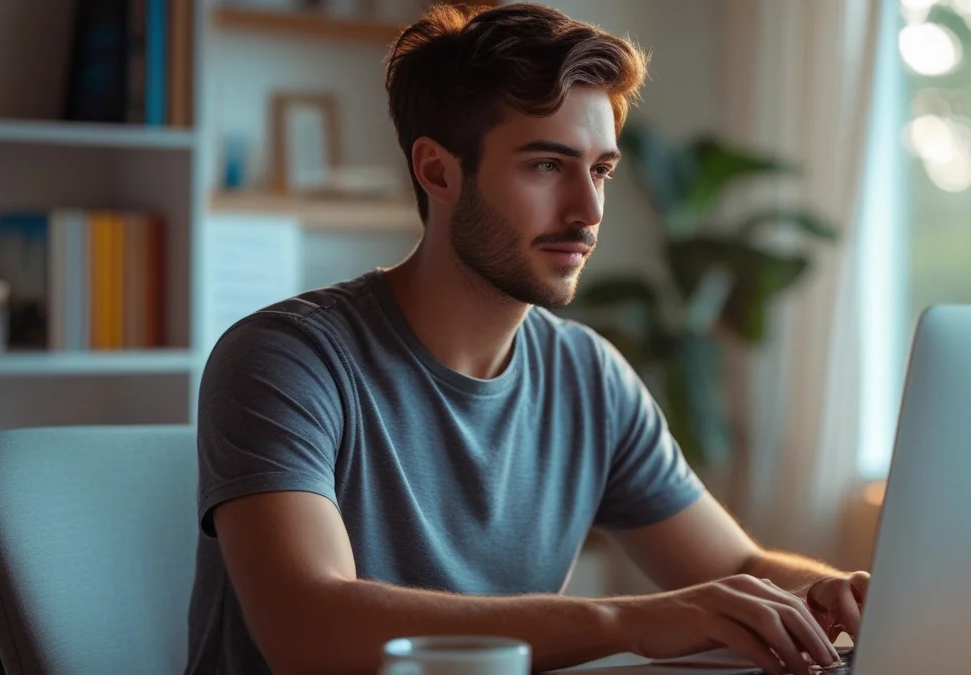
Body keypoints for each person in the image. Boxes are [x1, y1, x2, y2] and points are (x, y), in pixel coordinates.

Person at [185, 3, 870, 674]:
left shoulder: (588, 375)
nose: (589, 211)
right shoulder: (287, 358)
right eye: (547, 165)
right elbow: (309, 627)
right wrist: (632, 620)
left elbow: (738, 569)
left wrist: (833, 594)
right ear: (437, 171)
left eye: (600, 169)